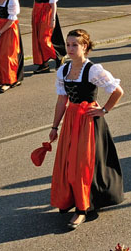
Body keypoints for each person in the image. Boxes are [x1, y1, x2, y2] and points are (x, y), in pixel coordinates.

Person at [49, 29, 124, 229]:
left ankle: (82, 209)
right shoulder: (63, 70)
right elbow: (61, 100)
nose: (70, 49)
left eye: (75, 45)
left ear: (85, 47)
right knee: (67, 162)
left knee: (81, 164)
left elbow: (117, 91)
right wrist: (55, 127)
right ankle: (69, 200)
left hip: (88, 121)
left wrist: (104, 110)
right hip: (71, 121)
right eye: (68, 44)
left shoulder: (93, 70)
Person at [30, 0, 65, 74]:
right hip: (37, 12)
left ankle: (58, 57)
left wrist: (53, 18)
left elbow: (54, 3)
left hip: (47, 13)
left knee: (43, 39)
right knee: (36, 39)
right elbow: (35, 0)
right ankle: (43, 64)